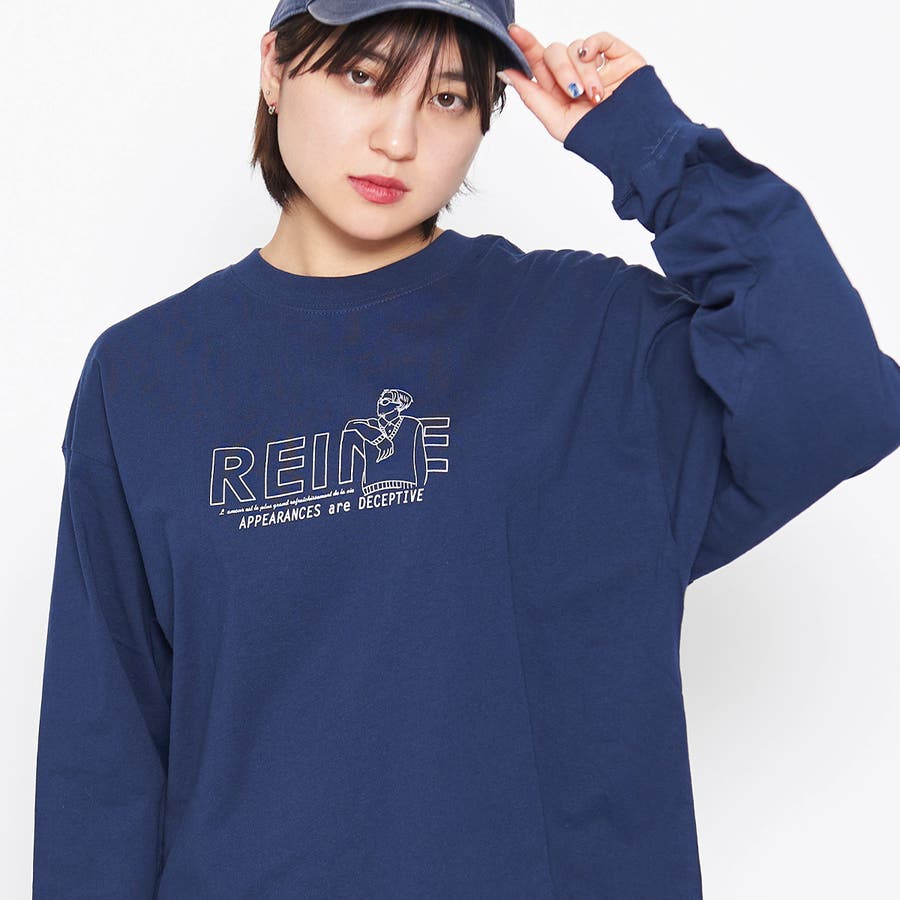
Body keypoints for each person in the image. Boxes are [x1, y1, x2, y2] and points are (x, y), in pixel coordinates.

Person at [31, 0, 900, 897]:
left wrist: (653, 149)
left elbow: (837, 395)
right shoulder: (144, 378)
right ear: (275, 68)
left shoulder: (584, 338)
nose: (398, 140)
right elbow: (101, 764)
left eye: (447, 98)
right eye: (363, 76)